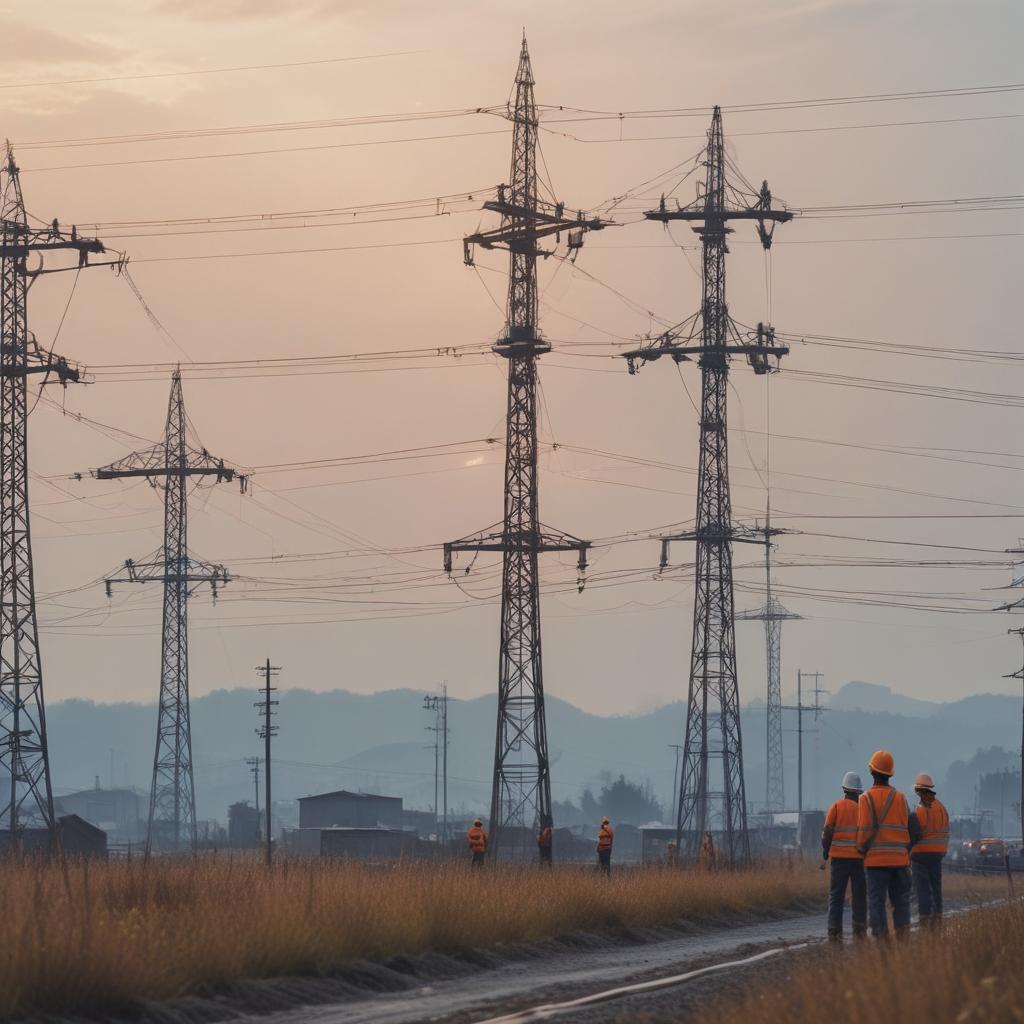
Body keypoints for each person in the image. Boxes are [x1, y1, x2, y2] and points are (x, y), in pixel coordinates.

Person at [856, 750, 921, 938]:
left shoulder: (865, 799)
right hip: (900, 862)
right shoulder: (901, 798)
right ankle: (903, 941)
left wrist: (861, 851)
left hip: (875, 863)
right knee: (901, 904)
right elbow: (914, 830)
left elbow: (863, 833)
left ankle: (883, 945)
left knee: (876, 904)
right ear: (890, 774)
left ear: (871, 771)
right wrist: (905, 850)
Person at [822, 771, 867, 940]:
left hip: (838, 859)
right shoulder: (864, 810)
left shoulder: (836, 807)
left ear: (844, 789)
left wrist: (826, 851)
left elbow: (827, 832)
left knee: (836, 895)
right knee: (859, 896)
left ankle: (834, 932)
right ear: (859, 791)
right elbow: (868, 834)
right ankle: (860, 931)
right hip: (858, 860)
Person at [910, 772, 949, 925]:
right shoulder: (942, 809)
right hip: (938, 855)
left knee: (923, 890)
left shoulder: (919, 810)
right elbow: (946, 831)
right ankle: (938, 920)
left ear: (919, 791)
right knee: (936, 889)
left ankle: (925, 921)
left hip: (920, 856)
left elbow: (914, 835)